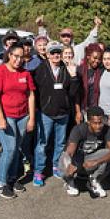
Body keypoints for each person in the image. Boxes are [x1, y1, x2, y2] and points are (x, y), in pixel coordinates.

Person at [0, 43, 36, 199]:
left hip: (22, 116)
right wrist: (1, 119)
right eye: (15, 56)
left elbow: (30, 96)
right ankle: (1, 183)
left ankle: (12, 178)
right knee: (9, 148)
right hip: (4, 115)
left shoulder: (25, 73)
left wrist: (31, 118)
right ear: (9, 54)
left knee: (17, 148)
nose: (18, 60)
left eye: (21, 57)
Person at [31, 41, 79, 187]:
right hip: (46, 113)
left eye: (58, 52)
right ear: (47, 54)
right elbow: (34, 90)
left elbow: (72, 93)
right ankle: (38, 171)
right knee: (42, 144)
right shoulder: (40, 69)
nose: (56, 55)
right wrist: (39, 107)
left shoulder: (67, 69)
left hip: (63, 113)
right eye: (53, 52)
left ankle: (56, 166)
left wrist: (74, 76)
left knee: (60, 143)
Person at [59, 106, 110, 198]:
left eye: (100, 123)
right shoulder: (79, 129)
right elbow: (70, 151)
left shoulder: (106, 129)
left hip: (90, 159)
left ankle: (94, 180)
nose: (98, 126)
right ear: (88, 122)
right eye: (95, 123)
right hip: (77, 159)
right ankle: (69, 181)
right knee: (65, 158)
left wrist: (97, 162)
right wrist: (69, 165)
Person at [75, 43, 104, 124]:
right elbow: (76, 94)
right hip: (83, 109)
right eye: (94, 58)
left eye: (99, 59)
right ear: (88, 56)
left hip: (96, 110)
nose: (97, 61)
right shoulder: (79, 70)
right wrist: (78, 112)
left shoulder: (102, 70)